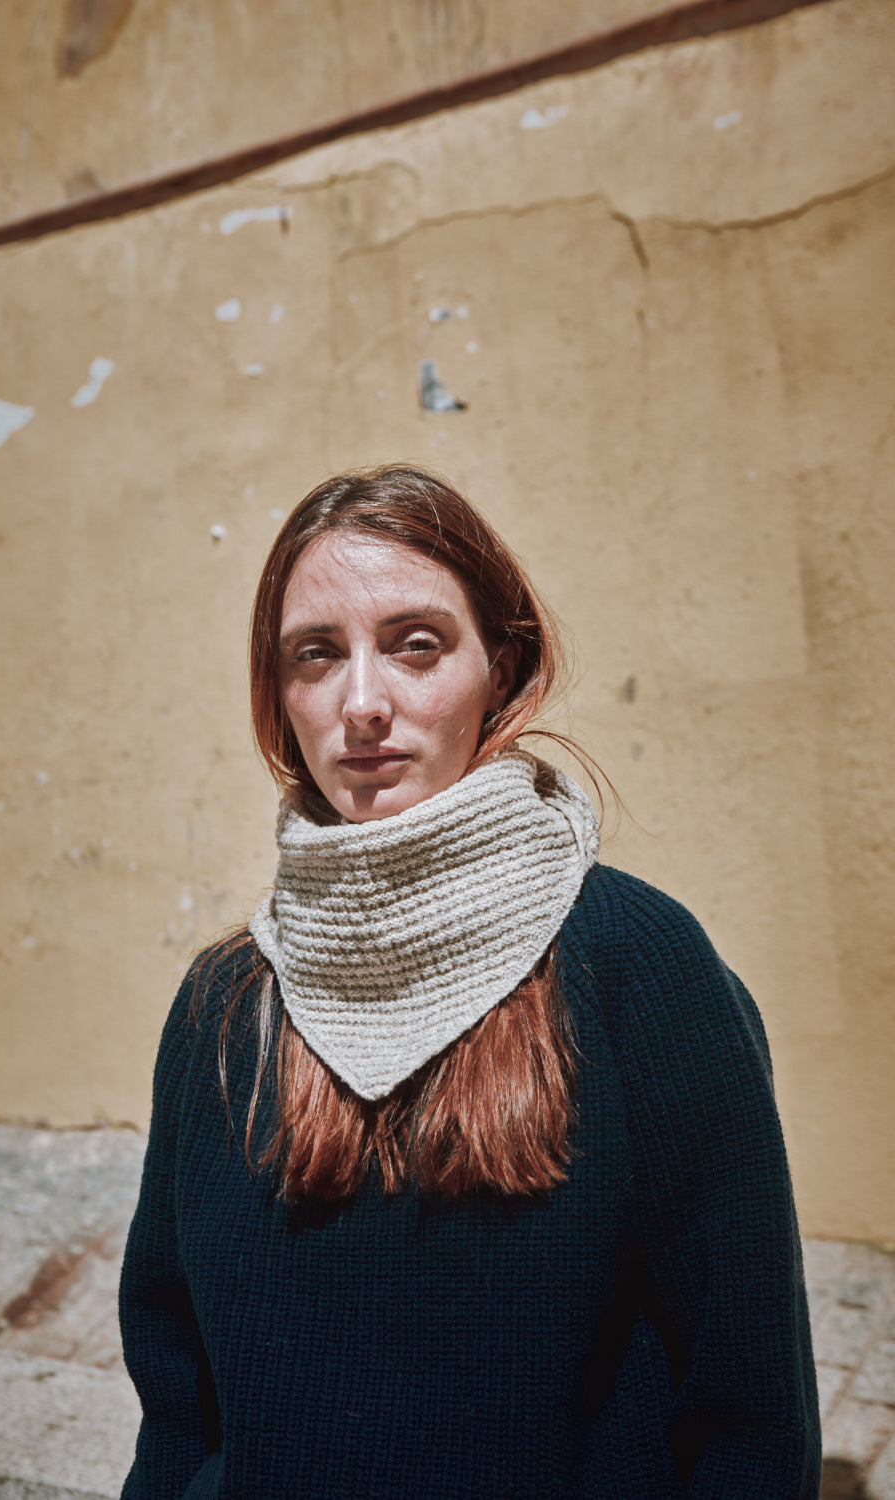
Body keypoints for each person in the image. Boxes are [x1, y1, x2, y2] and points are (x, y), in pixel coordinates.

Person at [119, 464, 821, 1499]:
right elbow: (177, 1406)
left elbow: (748, 1417)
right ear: (278, 693)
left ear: (502, 666)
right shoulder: (222, 1007)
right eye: (316, 654)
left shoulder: (642, 965)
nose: (363, 704)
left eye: (416, 644)